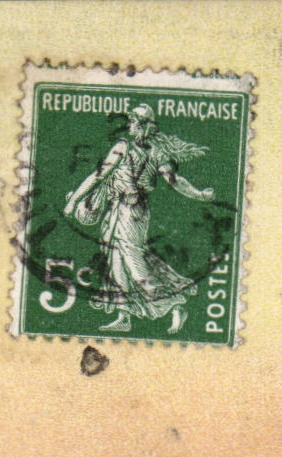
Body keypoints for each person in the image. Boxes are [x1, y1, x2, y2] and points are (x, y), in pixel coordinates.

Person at [62, 103, 214, 335]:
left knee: (134, 262)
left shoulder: (157, 153)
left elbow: (175, 181)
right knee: (115, 263)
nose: (130, 125)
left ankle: (175, 305)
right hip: (114, 210)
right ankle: (125, 316)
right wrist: (74, 201)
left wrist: (199, 194)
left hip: (133, 212)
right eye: (131, 121)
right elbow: (99, 175)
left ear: (146, 127)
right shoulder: (122, 147)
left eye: (135, 122)